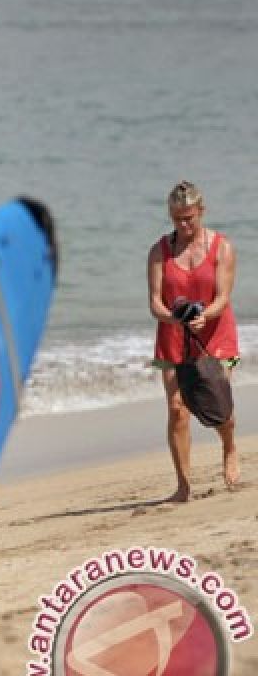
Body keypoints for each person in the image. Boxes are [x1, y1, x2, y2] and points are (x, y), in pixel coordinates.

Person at [147, 180, 240, 501]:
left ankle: (229, 447)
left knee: (218, 407)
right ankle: (183, 486)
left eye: (189, 217)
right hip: (173, 337)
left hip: (215, 334)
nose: (184, 224)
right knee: (177, 408)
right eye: (177, 219)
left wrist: (205, 315)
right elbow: (155, 302)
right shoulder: (160, 251)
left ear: (201, 211)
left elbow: (223, 298)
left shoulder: (222, 248)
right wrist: (173, 318)